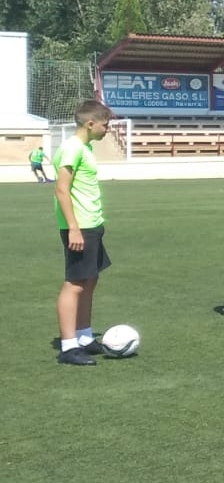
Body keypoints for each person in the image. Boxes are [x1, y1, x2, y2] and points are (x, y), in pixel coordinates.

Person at [52, 100, 114, 365]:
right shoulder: (72, 148)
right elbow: (61, 190)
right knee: (75, 283)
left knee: (90, 280)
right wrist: (74, 229)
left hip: (92, 225)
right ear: (90, 123)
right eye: (105, 125)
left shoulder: (85, 148)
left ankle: (84, 337)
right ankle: (68, 347)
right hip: (80, 226)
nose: (107, 130)